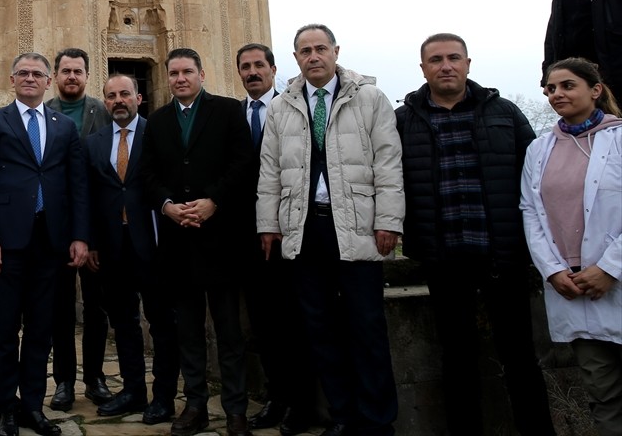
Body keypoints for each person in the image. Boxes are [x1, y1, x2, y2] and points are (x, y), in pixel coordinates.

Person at [396, 33, 555, 436]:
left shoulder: (503, 112)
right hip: (443, 256)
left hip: (501, 252)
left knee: (520, 355)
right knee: (456, 356)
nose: (445, 66)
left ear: (468, 64)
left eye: (454, 58)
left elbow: (537, 178)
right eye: (436, 60)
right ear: (423, 69)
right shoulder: (403, 120)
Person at [256, 24, 404, 436]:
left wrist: (388, 220)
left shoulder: (369, 98)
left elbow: (388, 162)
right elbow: (270, 171)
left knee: (367, 326)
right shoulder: (283, 107)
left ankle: (377, 422)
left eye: (320, 48)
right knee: (319, 328)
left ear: (336, 51)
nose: (314, 56)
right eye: (305, 51)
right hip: (305, 227)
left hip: (355, 225)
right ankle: (343, 416)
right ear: (296, 58)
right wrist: (268, 224)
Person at [0, 52, 90, 436]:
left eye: (37, 74)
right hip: (6, 243)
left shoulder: (63, 127)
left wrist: (80, 236)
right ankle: (7, 408)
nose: (29, 78)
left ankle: (33, 407)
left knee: (41, 330)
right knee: (4, 329)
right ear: (12, 79)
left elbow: (77, 185)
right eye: (22, 73)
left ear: (47, 81)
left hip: (50, 243)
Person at [140, 48, 255, 436]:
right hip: (178, 242)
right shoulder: (157, 121)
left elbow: (243, 163)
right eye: (173, 73)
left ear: (201, 74)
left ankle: (236, 409)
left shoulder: (228, 111)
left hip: (220, 240)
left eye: (187, 71)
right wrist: (168, 206)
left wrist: (213, 201)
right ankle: (195, 405)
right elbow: (147, 174)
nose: (180, 79)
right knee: (188, 332)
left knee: (229, 332)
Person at [521, 58, 622, 435]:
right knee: (602, 395)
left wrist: (610, 268)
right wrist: (552, 270)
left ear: (595, 90)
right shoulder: (539, 149)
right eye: (550, 89)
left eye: (567, 85)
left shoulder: (618, 138)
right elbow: (530, 211)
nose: (556, 94)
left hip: (613, 279)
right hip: (573, 288)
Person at [84, 73, 178, 425]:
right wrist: (92, 242)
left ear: (139, 98)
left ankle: (164, 396)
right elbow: (90, 196)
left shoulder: (157, 135)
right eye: (111, 96)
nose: (118, 101)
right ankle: (133, 390)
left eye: (125, 94)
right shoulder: (94, 143)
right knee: (123, 322)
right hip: (113, 246)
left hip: (151, 243)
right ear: (105, 102)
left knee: (162, 322)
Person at [234, 43, 315, 436]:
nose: (252, 72)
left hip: (291, 233)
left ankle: (302, 404)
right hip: (250, 238)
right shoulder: (235, 116)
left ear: (273, 69)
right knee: (264, 324)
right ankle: (276, 397)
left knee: (294, 323)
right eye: (245, 67)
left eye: (259, 66)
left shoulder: (295, 109)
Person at [45, 48, 112, 411]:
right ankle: (64, 381)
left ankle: (95, 377)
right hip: (56, 227)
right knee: (60, 308)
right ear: (55, 76)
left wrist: (95, 236)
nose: (72, 76)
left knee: (96, 307)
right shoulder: (45, 114)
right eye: (66, 71)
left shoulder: (102, 112)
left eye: (78, 71)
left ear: (87, 75)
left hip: (94, 226)